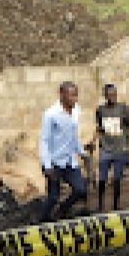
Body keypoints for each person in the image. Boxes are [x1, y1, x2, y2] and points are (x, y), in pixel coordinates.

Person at [38, 81, 88, 221]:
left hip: (70, 160)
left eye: (76, 95)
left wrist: (82, 153)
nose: (75, 99)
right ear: (62, 95)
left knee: (80, 190)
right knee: (53, 197)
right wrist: (47, 166)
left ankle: (62, 211)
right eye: (71, 95)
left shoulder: (76, 110)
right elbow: (44, 140)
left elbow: (73, 136)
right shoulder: (51, 114)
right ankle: (41, 221)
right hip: (54, 162)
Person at [94, 83, 129, 212]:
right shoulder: (100, 110)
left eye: (114, 94)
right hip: (105, 149)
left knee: (117, 179)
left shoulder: (124, 109)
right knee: (102, 179)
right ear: (105, 96)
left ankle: (116, 205)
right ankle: (100, 205)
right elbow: (99, 128)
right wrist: (93, 141)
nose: (112, 97)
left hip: (120, 149)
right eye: (109, 95)